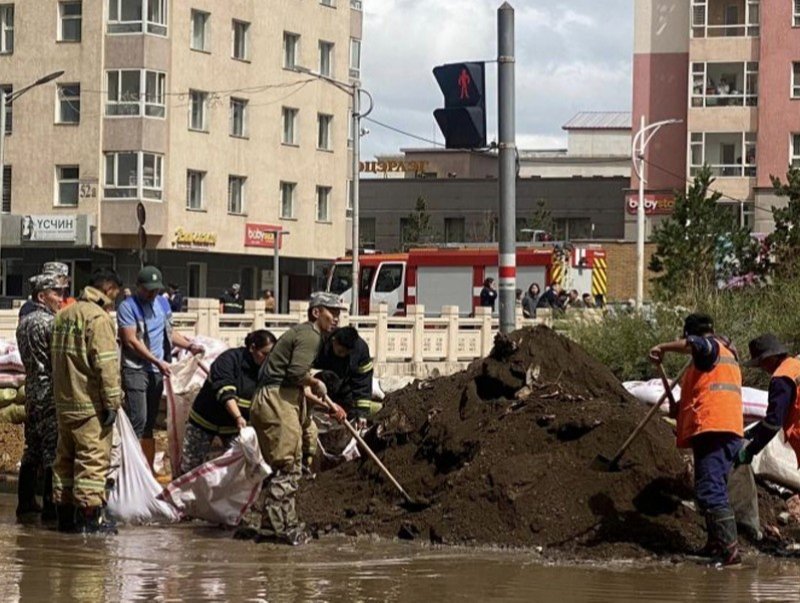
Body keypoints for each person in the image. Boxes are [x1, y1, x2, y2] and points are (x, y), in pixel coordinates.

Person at [248, 292, 348, 545]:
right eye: (331, 313)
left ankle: (273, 525)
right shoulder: (310, 335)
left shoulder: (303, 334)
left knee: (291, 461)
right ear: (316, 313)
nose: (336, 319)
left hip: (278, 398)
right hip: (277, 399)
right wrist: (315, 382)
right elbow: (295, 373)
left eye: (338, 314)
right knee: (287, 464)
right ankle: (281, 526)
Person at [649, 313, 744, 566]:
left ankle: (729, 551)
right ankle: (715, 545)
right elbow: (688, 402)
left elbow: (697, 344)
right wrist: (676, 405)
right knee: (709, 490)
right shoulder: (709, 362)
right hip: (716, 429)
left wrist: (663, 347)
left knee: (711, 490)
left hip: (716, 428)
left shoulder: (711, 348)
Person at [51, 268, 123, 534]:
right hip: (90, 406)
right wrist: (113, 403)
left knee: (65, 462)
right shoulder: (98, 319)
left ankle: (65, 519)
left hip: (64, 403)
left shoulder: (62, 316)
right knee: (92, 463)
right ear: (109, 289)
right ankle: (90, 521)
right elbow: (106, 366)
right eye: (116, 295)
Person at [117, 266, 204, 471]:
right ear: (138, 287)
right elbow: (130, 340)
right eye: (148, 290)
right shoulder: (128, 307)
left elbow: (169, 333)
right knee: (138, 419)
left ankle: (146, 470)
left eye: (155, 290)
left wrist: (189, 346)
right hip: (136, 368)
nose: (152, 294)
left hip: (157, 371)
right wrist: (156, 361)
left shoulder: (163, 304)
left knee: (150, 424)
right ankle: (130, 471)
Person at [178, 330, 277, 476]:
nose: (268, 359)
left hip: (233, 427)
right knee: (191, 467)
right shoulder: (229, 360)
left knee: (237, 469)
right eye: (264, 353)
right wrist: (238, 417)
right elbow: (225, 393)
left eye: (271, 355)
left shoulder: (266, 369)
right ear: (252, 348)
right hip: (205, 420)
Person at [15, 274, 64, 521]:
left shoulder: (23, 322)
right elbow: (58, 360)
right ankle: (50, 508)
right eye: (56, 293)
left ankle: (25, 503)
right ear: (42, 296)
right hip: (48, 394)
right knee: (51, 451)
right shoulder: (50, 323)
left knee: (31, 449)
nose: (61, 298)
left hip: (31, 391)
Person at [736, 334, 800, 469]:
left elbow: (774, 422)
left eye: (761, 363)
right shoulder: (795, 366)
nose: (762, 368)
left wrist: (751, 450)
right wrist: (751, 432)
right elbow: (778, 415)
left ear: (770, 357)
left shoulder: (781, 378)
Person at [314, 326, 378, 419]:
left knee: (347, 418)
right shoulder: (320, 343)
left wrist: (362, 413)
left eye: (346, 353)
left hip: (346, 390)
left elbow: (363, 383)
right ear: (333, 341)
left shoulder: (360, 349)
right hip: (320, 390)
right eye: (340, 352)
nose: (343, 355)